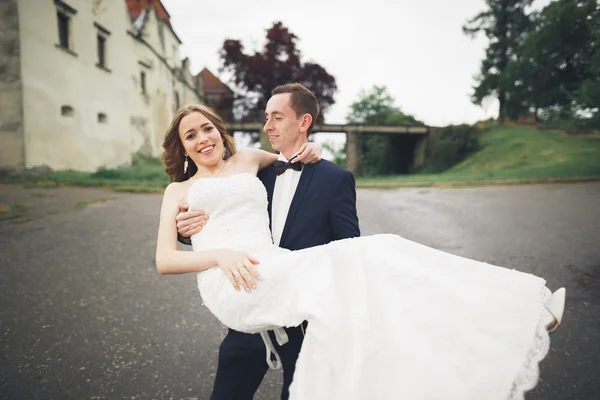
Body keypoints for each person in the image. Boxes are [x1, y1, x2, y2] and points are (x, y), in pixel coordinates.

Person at [155, 86, 566, 400]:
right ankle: (519, 311)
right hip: (244, 286)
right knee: (381, 255)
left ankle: (513, 315)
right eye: (190, 135)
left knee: (380, 260)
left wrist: (312, 148)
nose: (202, 138)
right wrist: (206, 246)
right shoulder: (180, 190)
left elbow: (290, 163)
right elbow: (174, 252)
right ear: (183, 145)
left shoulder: (250, 161)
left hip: (288, 288)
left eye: (207, 127)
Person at [170, 83, 361, 400]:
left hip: (303, 324)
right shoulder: (254, 173)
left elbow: (348, 251)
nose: (267, 126)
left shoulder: (334, 179)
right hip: (248, 318)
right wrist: (184, 229)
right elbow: (224, 214)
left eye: (276, 117)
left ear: (304, 123)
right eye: (266, 117)